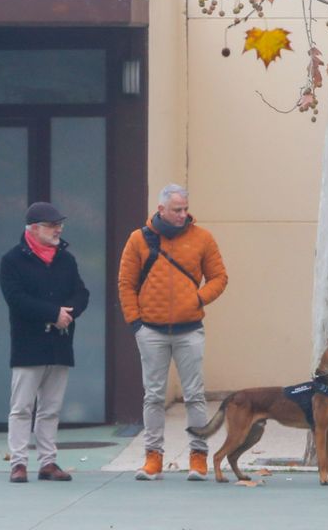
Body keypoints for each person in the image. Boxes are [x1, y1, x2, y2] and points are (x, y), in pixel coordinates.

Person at [117, 183, 229, 481]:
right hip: (150, 331)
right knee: (153, 396)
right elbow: (126, 284)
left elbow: (219, 277)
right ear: (161, 209)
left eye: (185, 209)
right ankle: (152, 457)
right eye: (177, 210)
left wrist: (198, 299)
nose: (183, 215)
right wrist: (136, 324)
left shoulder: (202, 238)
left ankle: (198, 456)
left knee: (194, 395)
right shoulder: (138, 240)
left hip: (189, 329)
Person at [0, 202, 89, 483]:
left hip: (60, 344)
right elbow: (16, 299)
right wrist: (53, 314)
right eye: (52, 225)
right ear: (34, 228)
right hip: (28, 345)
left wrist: (68, 314)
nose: (58, 230)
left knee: (51, 408)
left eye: (59, 225)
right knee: (22, 407)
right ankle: (18, 463)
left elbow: (81, 293)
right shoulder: (12, 260)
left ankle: (48, 462)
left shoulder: (66, 259)